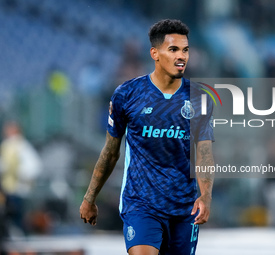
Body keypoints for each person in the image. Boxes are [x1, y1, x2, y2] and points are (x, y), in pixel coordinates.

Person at [79, 19, 215, 255]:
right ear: (155, 53)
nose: (181, 56)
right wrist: (90, 198)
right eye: (173, 50)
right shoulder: (127, 94)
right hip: (141, 204)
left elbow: (203, 154)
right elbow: (111, 152)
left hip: (184, 208)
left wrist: (205, 195)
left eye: (185, 50)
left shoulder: (199, 98)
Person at [0, 121, 42, 235]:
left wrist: (19, 173)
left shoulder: (21, 146)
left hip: (19, 191)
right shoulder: (7, 146)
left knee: (18, 220)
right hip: (8, 190)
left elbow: (34, 167)